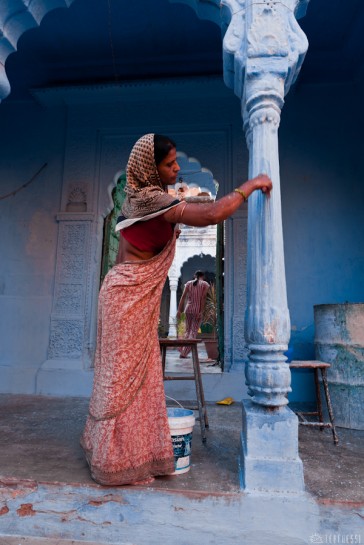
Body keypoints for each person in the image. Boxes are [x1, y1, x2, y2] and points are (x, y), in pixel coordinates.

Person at [81, 133, 272, 486]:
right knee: (123, 378)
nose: (177, 168)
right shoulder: (155, 202)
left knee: (131, 376)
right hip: (126, 297)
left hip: (119, 290)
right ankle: (116, 461)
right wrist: (252, 185)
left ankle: (126, 453)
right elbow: (214, 212)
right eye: (169, 164)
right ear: (151, 170)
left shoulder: (137, 199)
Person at [177, 271, 210, 358]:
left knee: (187, 331)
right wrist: (201, 311)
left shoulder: (188, 283)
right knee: (193, 331)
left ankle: (182, 350)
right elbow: (203, 298)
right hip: (197, 310)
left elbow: (183, 297)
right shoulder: (205, 284)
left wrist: (179, 310)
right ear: (203, 276)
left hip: (188, 309)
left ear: (194, 275)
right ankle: (184, 353)